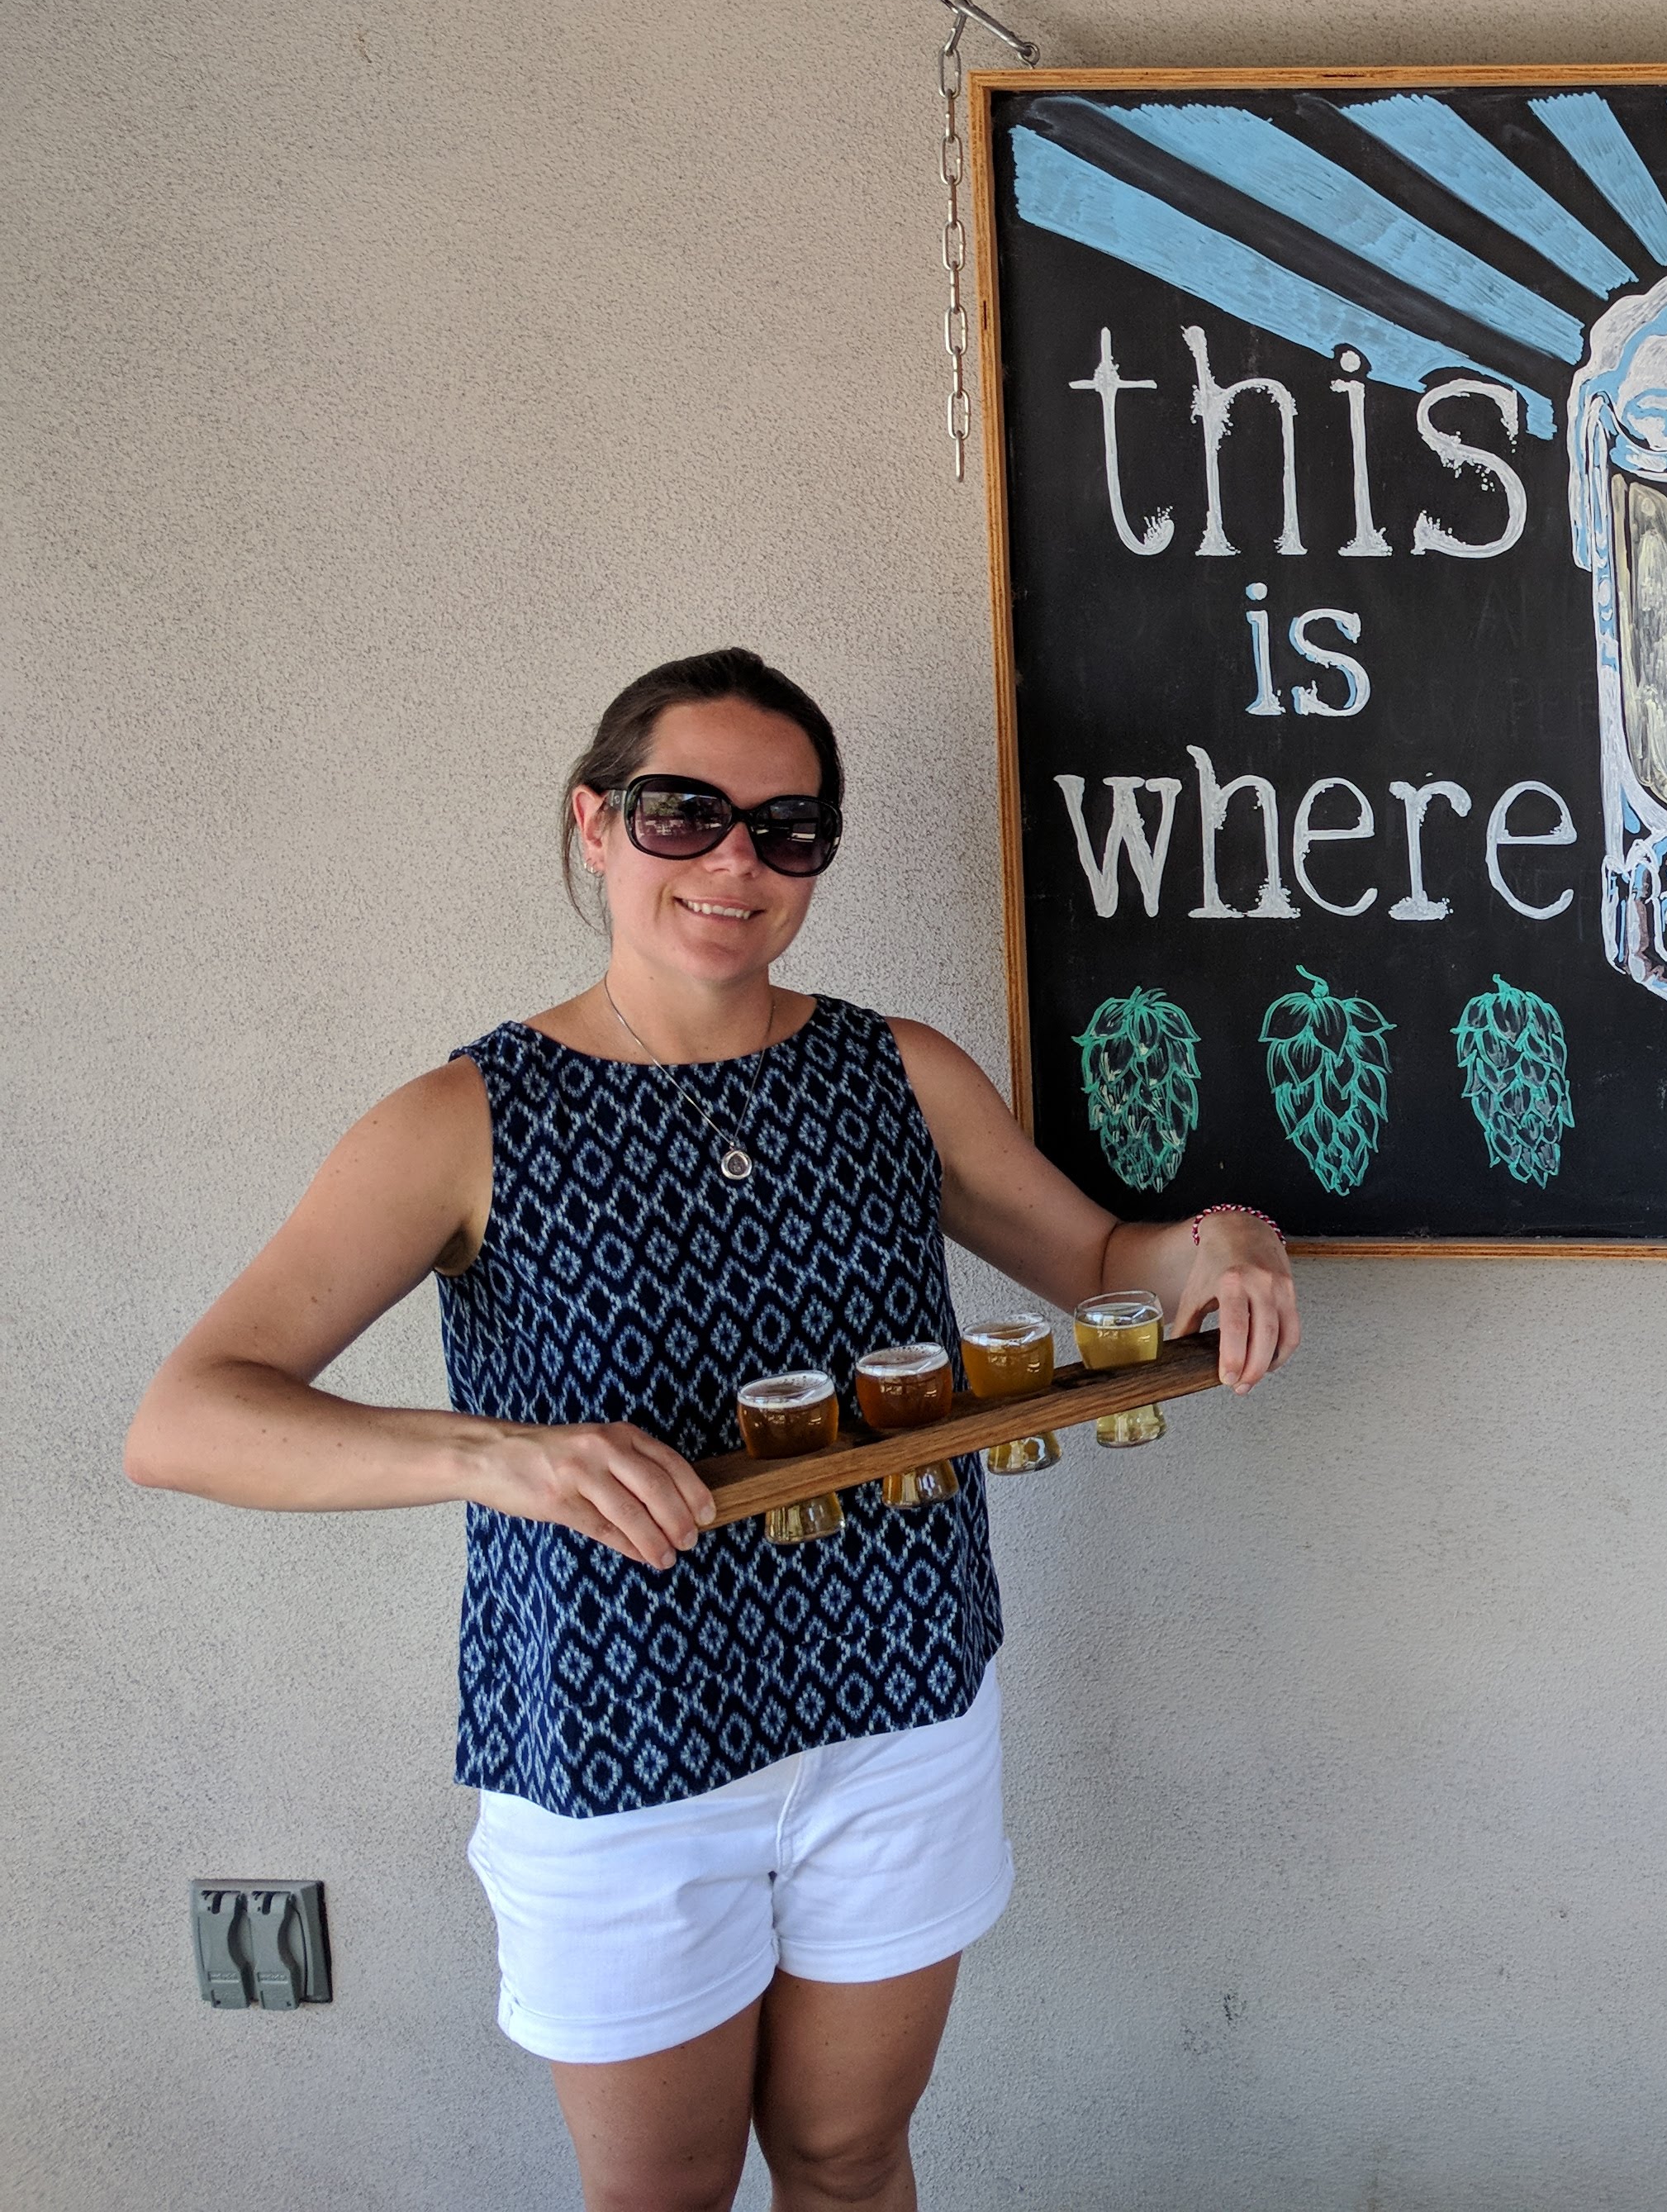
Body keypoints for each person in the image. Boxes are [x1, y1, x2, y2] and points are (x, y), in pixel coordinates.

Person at [123, 648, 1298, 2212]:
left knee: (850, 2158)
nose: (738, 859)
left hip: (898, 1704)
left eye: (789, 829)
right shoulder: (466, 1119)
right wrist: (504, 1456)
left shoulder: (898, 1073)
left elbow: (1097, 1265)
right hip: (621, 1742)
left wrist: (1221, 1243)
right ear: (595, 828)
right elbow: (189, 1417)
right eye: (687, 813)